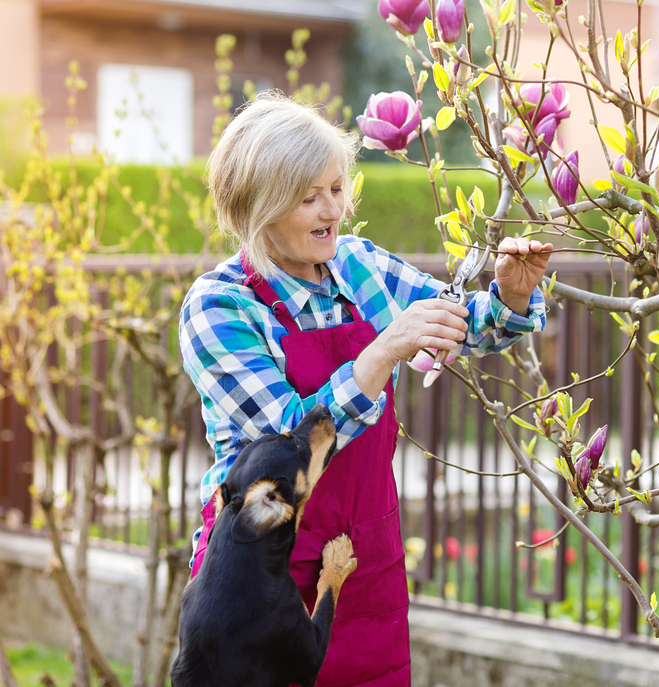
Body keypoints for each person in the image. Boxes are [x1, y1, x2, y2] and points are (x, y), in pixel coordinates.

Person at [178, 91, 552, 687]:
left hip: (365, 560)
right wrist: (380, 352)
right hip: (254, 581)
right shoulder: (220, 306)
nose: (334, 209)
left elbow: (458, 319)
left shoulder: (360, 266)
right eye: (309, 197)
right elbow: (289, 443)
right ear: (262, 207)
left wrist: (508, 296)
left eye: (336, 187)